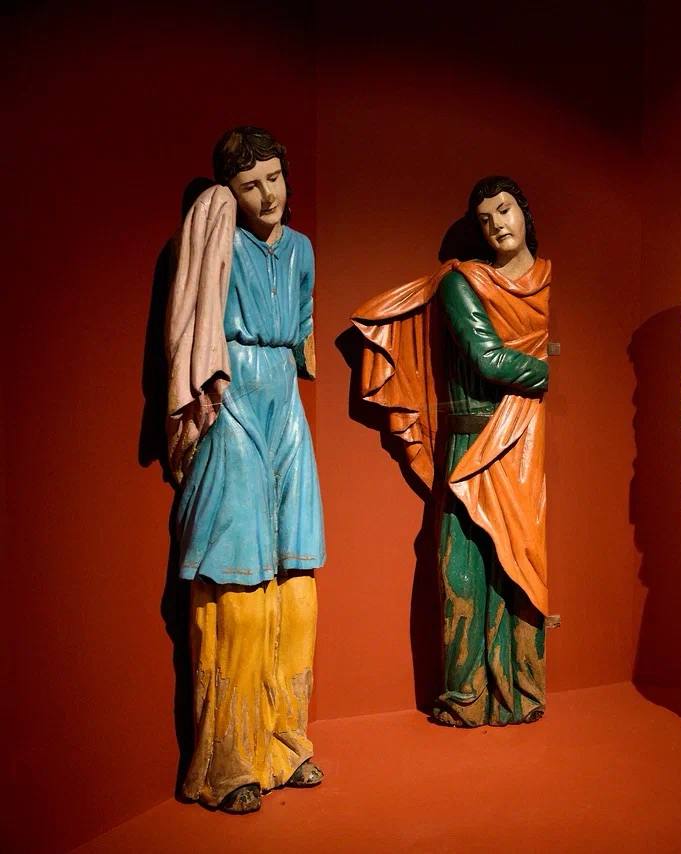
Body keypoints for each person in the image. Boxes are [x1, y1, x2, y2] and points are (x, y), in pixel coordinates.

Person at [166, 126, 326, 814]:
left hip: (286, 402)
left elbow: (305, 320)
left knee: (298, 576)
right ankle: (228, 762)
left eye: (274, 177)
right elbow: (190, 320)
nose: (267, 195)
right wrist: (216, 397)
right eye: (249, 184)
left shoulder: (302, 249)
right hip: (232, 398)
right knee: (236, 583)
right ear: (229, 192)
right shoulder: (218, 241)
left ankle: (287, 742)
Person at [352, 176, 550, 727]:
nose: (498, 225)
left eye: (504, 210)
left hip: (523, 440)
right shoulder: (463, 284)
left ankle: (520, 693)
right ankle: (466, 696)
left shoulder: (550, 284)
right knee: (460, 572)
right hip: (470, 440)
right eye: (485, 220)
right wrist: (551, 369)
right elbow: (488, 360)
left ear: (524, 211)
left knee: (517, 568)